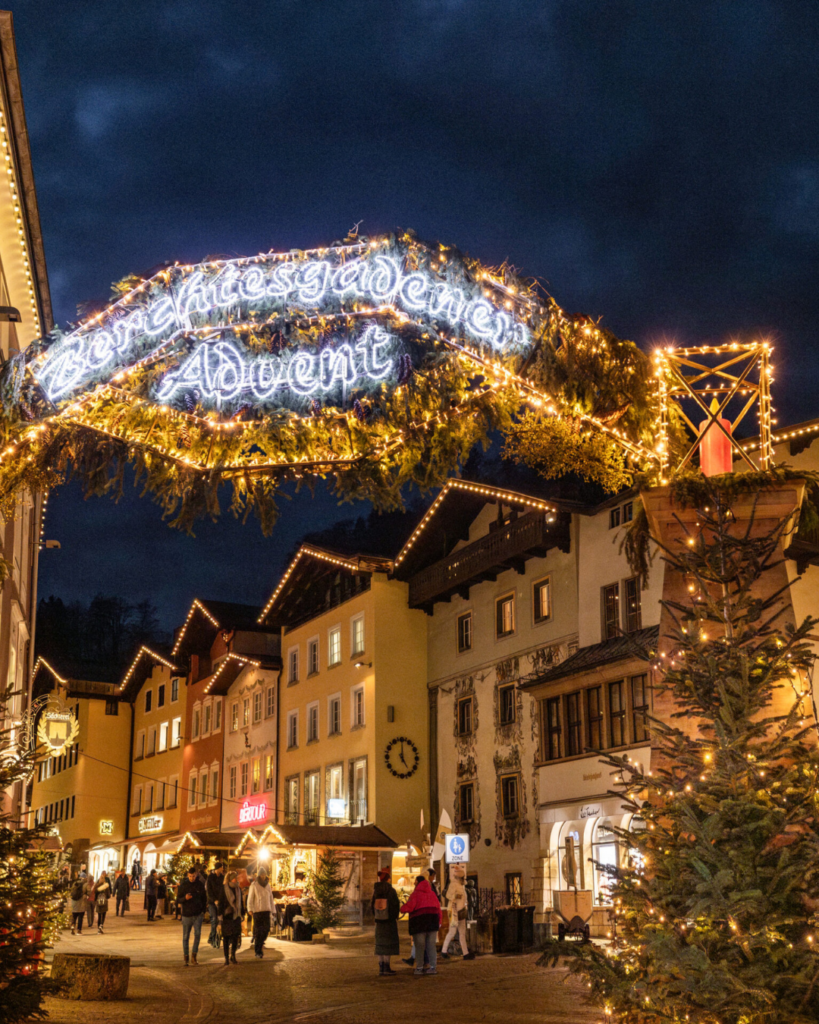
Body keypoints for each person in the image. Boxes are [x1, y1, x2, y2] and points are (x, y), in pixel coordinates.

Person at [400, 875, 441, 976]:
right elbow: (438, 909)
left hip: (419, 923)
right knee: (431, 946)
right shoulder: (432, 894)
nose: (414, 883)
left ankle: (419, 968)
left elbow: (409, 907)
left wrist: (402, 908)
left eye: (415, 881)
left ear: (418, 882)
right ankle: (433, 967)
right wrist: (439, 922)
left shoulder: (415, 894)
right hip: (432, 922)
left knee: (420, 946)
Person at [440, 864, 473, 959]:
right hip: (454, 912)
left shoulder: (461, 886)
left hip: (461, 912)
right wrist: (455, 896)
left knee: (462, 933)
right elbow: (448, 895)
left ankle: (465, 953)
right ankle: (444, 951)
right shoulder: (453, 885)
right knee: (452, 932)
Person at [371, 868, 400, 976]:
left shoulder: (376, 891)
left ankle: (381, 967)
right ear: (388, 879)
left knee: (380, 944)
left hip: (379, 922)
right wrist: (393, 917)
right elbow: (395, 905)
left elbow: (372, 906)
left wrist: (377, 917)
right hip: (389, 922)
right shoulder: (391, 891)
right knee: (388, 944)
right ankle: (387, 967)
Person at [177, 863, 207, 966]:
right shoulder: (184, 885)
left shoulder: (200, 884)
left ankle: (194, 956)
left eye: (193, 876)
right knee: (186, 936)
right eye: (190, 876)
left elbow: (204, 898)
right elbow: (178, 899)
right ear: (187, 875)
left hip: (198, 914)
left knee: (197, 935)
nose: (191, 878)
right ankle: (186, 957)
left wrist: (203, 911)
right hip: (186, 915)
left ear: (196, 875)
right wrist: (185, 898)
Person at [246, 869, 274, 958]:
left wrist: (273, 910)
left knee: (266, 930)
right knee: (258, 931)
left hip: (266, 910)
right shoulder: (254, 885)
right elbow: (250, 898)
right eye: (261, 874)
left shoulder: (268, 885)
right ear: (258, 875)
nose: (263, 876)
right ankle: (258, 951)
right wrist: (250, 909)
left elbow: (271, 898)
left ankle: (259, 943)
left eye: (264, 874)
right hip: (257, 911)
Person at [218, 870, 243, 965]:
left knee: (236, 936)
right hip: (226, 917)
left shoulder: (238, 889)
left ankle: (233, 955)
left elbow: (240, 902)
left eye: (236, 878)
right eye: (234, 878)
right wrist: (220, 916)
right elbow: (220, 903)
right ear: (231, 879)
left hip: (236, 916)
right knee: (226, 938)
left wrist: (242, 913)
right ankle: (226, 958)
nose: (236, 880)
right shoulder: (224, 889)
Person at [206, 861, 225, 947]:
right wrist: (214, 900)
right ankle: (212, 938)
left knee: (220, 920)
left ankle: (212, 937)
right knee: (214, 920)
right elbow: (209, 891)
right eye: (221, 867)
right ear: (218, 868)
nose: (222, 869)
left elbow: (224, 889)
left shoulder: (223, 877)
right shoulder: (210, 877)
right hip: (212, 902)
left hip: (221, 902)